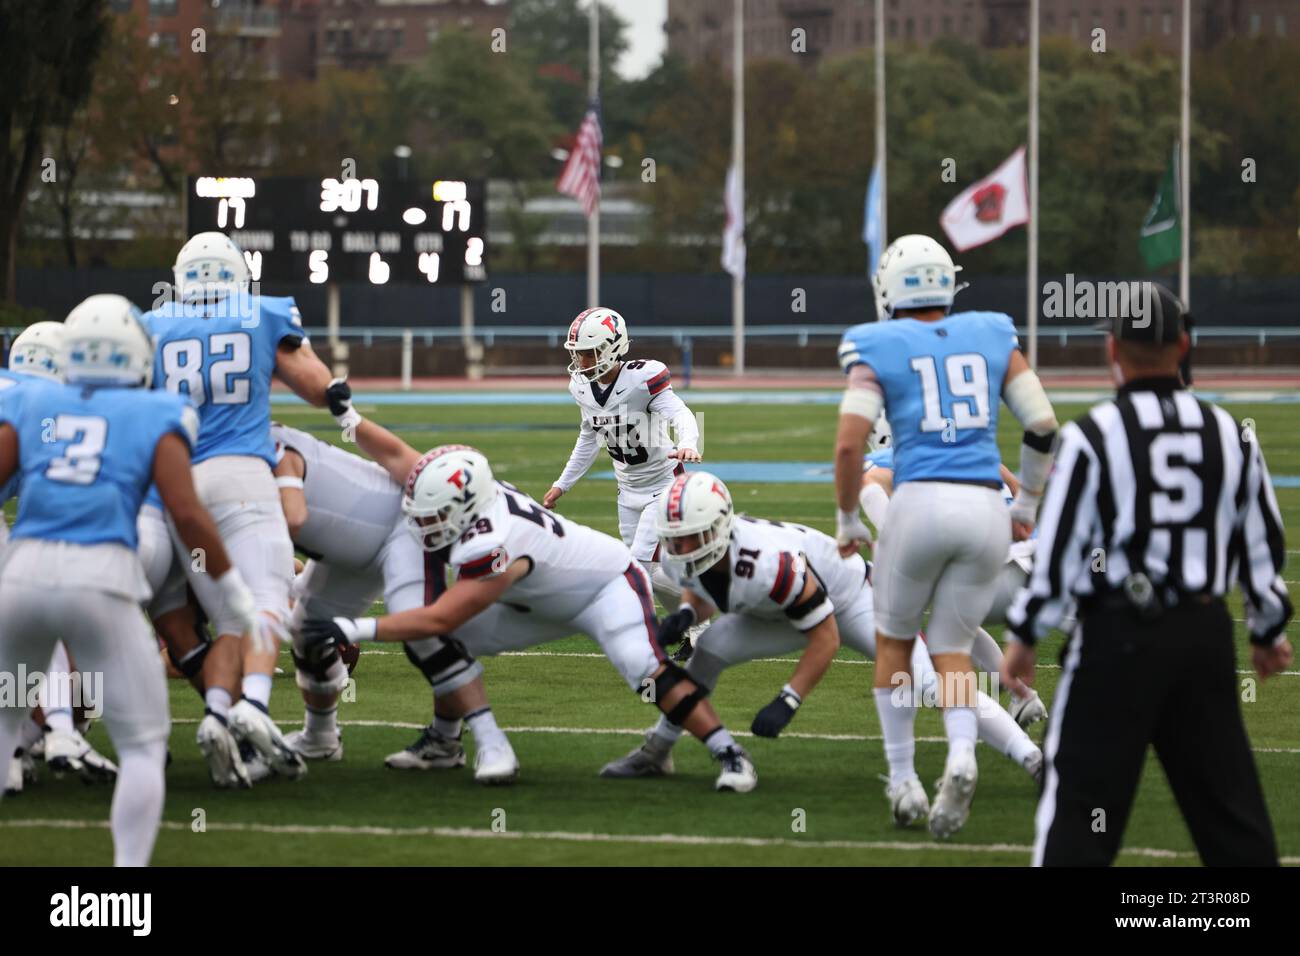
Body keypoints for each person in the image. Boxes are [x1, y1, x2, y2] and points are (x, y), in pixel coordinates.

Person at [1003, 283, 1294, 866]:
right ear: (1183, 344)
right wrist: (1267, 629)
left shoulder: (1092, 436)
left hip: (1118, 637)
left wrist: (1026, 633)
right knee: (1230, 816)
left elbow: (1060, 546)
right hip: (1204, 635)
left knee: (1080, 810)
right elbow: (1260, 539)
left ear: (1113, 348)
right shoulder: (1234, 433)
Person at [300, 442, 758, 792]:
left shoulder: (494, 540)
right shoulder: (479, 502)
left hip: (606, 586)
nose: (427, 522)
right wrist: (346, 413)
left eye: (437, 513)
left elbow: (438, 616)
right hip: (539, 599)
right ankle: (444, 741)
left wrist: (350, 626)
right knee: (450, 639)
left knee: (643, 669)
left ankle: (730, 754)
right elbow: (398, 456)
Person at [599, 471, 1043, 823]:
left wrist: (788, 698)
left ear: (717, 528)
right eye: (674, 539)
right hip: (781, 609)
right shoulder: (688, 553)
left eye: (688, 539)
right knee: (706, 652)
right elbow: (704, 583)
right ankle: (658, 750)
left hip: (855, 598)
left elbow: (825, 635)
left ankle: (1033, 758)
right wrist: (688, 616)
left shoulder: (766, 564)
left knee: (928, 684)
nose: (678, 548)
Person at [0, 294, 258, 865]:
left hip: (20, 583)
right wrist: (235, 594)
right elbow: (187, 514)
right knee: (143, 746)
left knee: (3, 722)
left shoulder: (32, 398)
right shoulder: (157, 412)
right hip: (100, 584)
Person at [834, 234, 1059, 838]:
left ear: (889, 287)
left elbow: (851, 444)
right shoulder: (989, 331)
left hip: (917, 501)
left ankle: (904, 779)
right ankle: (961, 757)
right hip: (987, 509)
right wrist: (1029, 502)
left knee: (894, 644)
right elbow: (1042, 424)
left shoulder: (874, 342)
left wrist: (848, 518)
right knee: (953, 649)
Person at [142, 231, 345, 788]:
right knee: (263, 604)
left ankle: (214, 717)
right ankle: (252, 704)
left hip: (173, 491)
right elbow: (316, 387)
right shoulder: (262, 312)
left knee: (213, 621)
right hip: (241, 480)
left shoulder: (151, 325)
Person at [269, 421, 518, 782]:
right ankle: (320, 736)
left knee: (425, 633)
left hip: (402, 527)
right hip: (345, 549)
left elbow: (284, 524)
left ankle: (469, 741)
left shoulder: (264, 451)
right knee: (307, 632)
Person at [542, 307, 706, 658]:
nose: (582, 361)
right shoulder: (582, 388)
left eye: (588, 352)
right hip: (627, 490)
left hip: (663, 484)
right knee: (653, 569)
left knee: (638, 567)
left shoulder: (642, 379)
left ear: (612, 347)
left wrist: (689, 442)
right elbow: (589, 438)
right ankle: (695, 629)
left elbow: (679, 412)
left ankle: (693, 616)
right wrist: (562, 484)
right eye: (578, 353)